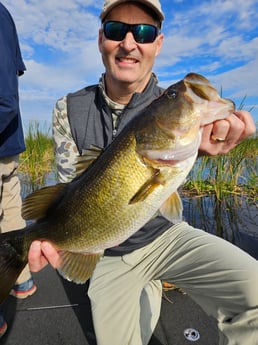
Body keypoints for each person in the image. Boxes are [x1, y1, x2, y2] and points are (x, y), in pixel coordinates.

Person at [28, 1, 257, 344]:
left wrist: (216, 135)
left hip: (166, 237)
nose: (130, 43)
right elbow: (68, 193)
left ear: (158, 44)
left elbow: (190, 145)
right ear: (101, 38)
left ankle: (154, 279)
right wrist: (48, 239)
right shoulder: (67, 108)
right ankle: (144, 284)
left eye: (145, 32)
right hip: (107, 253)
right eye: (117, 30)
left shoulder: (165, 101)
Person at [0, 2, 36, 338]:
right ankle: (21, 279)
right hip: (7, 143)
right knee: (10, 210)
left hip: (1, 140)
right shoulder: (5, 16)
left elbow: (5, 100)